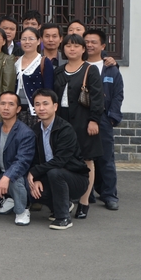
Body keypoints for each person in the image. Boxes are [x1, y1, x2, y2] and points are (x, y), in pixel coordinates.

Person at [53, 33, 104, 219]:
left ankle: (84, 202)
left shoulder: (90, 70)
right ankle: (65, 200)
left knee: (86, 160)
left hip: (84, 121)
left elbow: (97, 97)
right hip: (62, 120)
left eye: (76, 46)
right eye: (68, 45)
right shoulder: (59, 71)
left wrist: (94, 120)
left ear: (83, 49)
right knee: (64, 159)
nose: (72, 49)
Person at [28, 89, 90, 230]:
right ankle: (63, 205)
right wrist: (36, 178)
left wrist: (35, 171)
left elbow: (60, 161)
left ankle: (63, 218)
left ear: (55, 106)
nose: (41, 108)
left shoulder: (65, 129)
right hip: (50, 175)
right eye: (37, 104)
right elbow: (35, 158)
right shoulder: (36, 130)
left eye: (45, 104)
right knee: (30, 185)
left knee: (55, 173)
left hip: (76, 178)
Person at [84, 29, 122, 211]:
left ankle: (109, 195)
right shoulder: (79, 65)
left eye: (94, 42)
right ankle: (88, 192)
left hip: (104, 119)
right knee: (84, 157)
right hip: (83, 118)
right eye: (87, 42)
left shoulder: (111, 69)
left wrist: (112, 118)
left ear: (103, 46)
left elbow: (118, 95)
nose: (89, 45)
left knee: (106, 159)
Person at [0, 91, 35, 226]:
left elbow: (22, 161)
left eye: (11, 104)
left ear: (18, 109)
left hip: (19, 176)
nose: (6, 108)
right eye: (3, 104)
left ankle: (22, 210)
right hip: (0, 173)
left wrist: (7, 176)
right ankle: (10, 199)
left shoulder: (26, 133)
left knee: (15, 179)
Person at [15, 26, 54, 128]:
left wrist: (44, 111)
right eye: (24, 39)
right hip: (17, 110)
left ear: (38, 41)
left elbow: (48, 89)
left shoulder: (44, 61)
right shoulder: (16, 61)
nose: (27, 42)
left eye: (31, 39)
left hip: (35, 110)